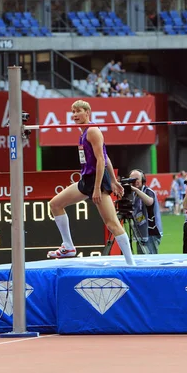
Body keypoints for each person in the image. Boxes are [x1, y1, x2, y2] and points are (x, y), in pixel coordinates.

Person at [47, 100, 135, 265]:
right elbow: (106, 156)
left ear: (87, 113)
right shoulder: (83, 132)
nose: (74, 115)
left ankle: (131, 264)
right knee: (55, 204)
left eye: (78, 111)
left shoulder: (92, 131)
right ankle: (69, 247)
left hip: (97, 182)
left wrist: (97, 188)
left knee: (112, 224)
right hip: (86, 181)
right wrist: (115, 181)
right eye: (73, 112)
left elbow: (101, 160)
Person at [129, 169, 162, 254]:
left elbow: (149, 202)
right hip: (140, 232)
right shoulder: (133, 195)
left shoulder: (148, 191)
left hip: (151, 232)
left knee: (151, 261)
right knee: (142, 260)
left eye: (137, 179)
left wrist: (137, 190)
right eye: (132, 179)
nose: (135, 182)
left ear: (143, 180)